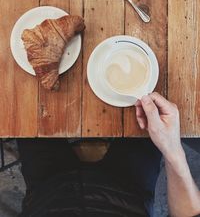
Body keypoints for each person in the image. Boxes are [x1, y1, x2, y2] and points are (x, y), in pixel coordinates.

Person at [17, 92, 200, 217]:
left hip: (48, 189)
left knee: (23, 101)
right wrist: (172, 150)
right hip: (128, 191)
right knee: (152, 97)